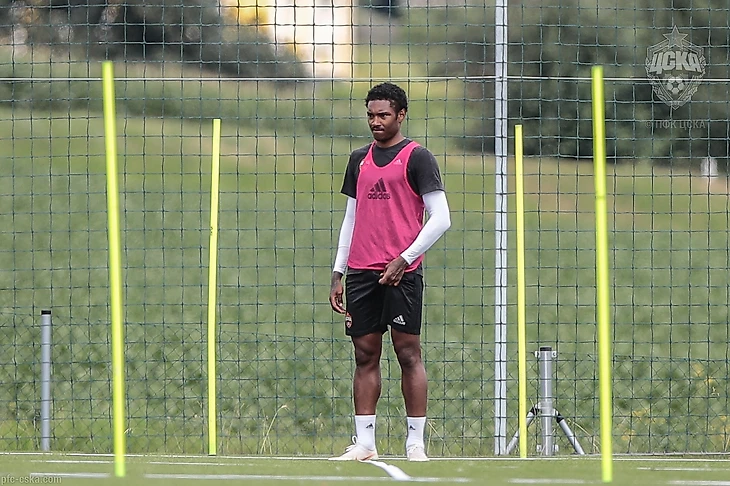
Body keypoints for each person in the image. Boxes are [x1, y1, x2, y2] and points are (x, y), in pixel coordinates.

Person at [328, 82, 451, 462]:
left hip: (402, 273)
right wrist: (339, 271)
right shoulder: (358, 159)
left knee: (408, 353)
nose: (375, 122)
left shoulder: (418, 158)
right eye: (370, 115)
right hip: (361, 271)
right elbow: (352, 218)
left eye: (383, 115)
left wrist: (404, 258)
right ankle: (365, 444)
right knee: (364, 355)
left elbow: (441, 218)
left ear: (401, 115)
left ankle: (415, 443)